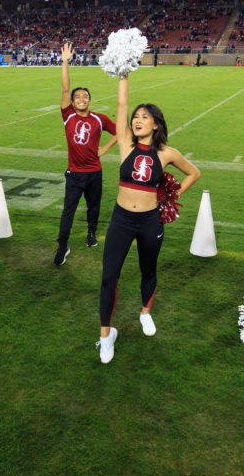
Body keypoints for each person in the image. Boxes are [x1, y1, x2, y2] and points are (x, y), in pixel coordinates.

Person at [96, 73, 200, 363]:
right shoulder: (126, 145)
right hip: (121, 219)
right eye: (135, 117)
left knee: (148, 270)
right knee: (108, 276)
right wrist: (123, 75)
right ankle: (106, 337)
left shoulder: (166, 153)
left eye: (144, 117)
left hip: (150, 221)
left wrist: (172, 193)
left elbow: (194, 172)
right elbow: (121, 102)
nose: (137, 120)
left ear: (156, 123)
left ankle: (145, 313)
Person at [55, 41, 117, 266]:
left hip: (94, 173)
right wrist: (65, 62)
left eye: (85, 97)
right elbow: (64, 88)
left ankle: (91, 233)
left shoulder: (100, 119)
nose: (81, 99)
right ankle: (62, 246)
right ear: (71, 102)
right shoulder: (68, 116)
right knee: (67, 212)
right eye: (77, 97)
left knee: (94, 207)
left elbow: (120, 131)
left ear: (90, 100)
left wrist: (105, 148)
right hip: (74, 174)